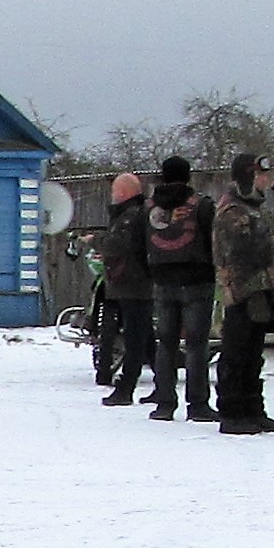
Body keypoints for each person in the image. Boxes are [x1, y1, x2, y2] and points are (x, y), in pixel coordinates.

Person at [209, 153, 274, 434]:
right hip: (243, 293)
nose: (265, 180)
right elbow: (237, 257)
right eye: (260, 175)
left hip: (261, 290)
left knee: (253, 354)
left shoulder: (256, 208)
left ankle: (253, 409)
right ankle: (232, 412)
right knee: (236, 353)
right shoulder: (233, 211)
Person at [139, 157, 216, 423]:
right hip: (198, 280)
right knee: (196, 346)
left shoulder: (147, 208)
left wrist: (153, 273)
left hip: (161, 281)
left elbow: (140, 245)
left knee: (165, 344)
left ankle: (164, 403)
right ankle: (198, 405)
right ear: (188, 176)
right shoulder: (202, 205)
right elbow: (213, 242)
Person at [96, 172, 152, 403]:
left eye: (114, 191)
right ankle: (163, 385)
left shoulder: (131, 217)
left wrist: (98, 242)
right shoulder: (137, 213)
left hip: (133, 283)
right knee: (145, 336)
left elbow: (118, 245)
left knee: (135, 336)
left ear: (123, 192)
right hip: (135, 282)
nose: (112, 196)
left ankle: (126, 387)